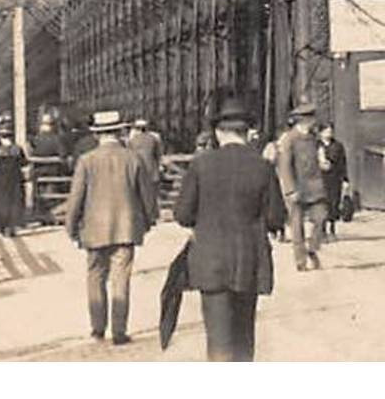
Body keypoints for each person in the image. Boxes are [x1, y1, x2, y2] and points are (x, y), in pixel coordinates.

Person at [173, 97, 286, 361]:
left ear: (217, 131)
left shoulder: (201, 165)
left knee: (219, 340)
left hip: (211, 261)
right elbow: (276, 217)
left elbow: (182, 214)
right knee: (244, 338)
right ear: (247, 132)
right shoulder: (263, 167)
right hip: (249, 261)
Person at [65, 110, 158, 344]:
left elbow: (76, 198)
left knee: (95, 277)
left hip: (94, 229)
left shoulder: (86, 161)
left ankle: (97, 329)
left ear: (97, 135)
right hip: (126, 228)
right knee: (121, 278)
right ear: (120, 132)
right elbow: (146, 196)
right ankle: (119, 331)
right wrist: (148, 220)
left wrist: (71, 226)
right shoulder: (133, 158)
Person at [274, 102, 328, 270]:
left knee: (321, 217)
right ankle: (300, 260)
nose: (314, 121)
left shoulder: (314, 138)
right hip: (297, 188)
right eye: (311, 117)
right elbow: (284, 166)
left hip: (315, 187)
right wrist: (290, 189)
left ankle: (312, 248)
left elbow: (318, 158)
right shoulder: (289, 139)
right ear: (303, 120)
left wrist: (323, 163)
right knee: (297, 225)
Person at [0, 125, 27, 236]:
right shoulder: (17, 149)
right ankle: (9, 227)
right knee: (12, 202)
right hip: (14, 179)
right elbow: (24, 162)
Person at [317, 122, 349, 239]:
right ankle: (322, 230)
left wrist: (345, 179)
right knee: (322, 203)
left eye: (330, 131)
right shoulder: (316, 146)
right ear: (321, 133)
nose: (328, 133)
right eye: (326, 131)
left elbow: (342, 163)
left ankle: (332, 228)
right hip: (320, 178)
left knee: (334, 202)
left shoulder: (338, 146)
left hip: (335, 178)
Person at [127, 117, 164, 181]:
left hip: (138, 172)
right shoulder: (154, 138)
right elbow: (158, 154)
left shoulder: (132, 140)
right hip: (152, 172)